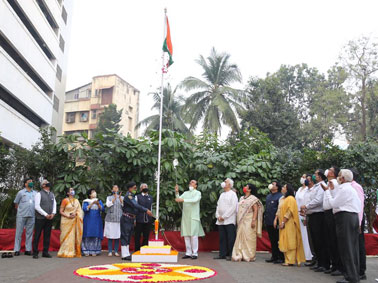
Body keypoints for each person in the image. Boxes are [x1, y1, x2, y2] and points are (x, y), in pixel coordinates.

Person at [323, 169, 361, 283]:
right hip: (351, 217)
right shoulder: (350, 188)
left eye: (339, 176)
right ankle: (353, 275)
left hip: (345, 218)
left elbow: (333, 203)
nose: (337, 178)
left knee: (346, 248)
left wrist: (328, 191)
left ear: (343, 178)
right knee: (352, 248)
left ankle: (351, 276)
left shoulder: (345, 189)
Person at [301, 170, 329, 273]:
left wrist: (306, 207)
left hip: (318, 215)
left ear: (321, 176)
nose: (314, 176)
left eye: (316, 174)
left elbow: (318, 200)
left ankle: (324, 263)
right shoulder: (317, 186)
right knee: (314, 240)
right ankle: (318, 261)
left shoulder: (322, 186)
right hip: (311, 214)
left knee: (319, 240)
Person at [120, 181, 153, 260]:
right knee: (125, 235)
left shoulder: (132, 195)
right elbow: (135, 205)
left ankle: (126, 253)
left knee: (128, 236)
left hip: (130, 218)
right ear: (130, 188)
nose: (136, 189)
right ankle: (124, 254)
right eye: (134, 188)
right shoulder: (129, 196)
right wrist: (146, 210)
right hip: (126, 218)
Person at [231, 183, 263, 262]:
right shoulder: (242, 198)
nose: (244, 188)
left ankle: (249, 255)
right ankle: (240, 253)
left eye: (246, 187)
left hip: (249, 219)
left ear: (250, 189)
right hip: (242, 221)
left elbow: (255, 210)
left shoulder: (253, 199)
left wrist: (253, 220)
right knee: (240, 236)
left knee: (248, 237)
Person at [175, 180, 205, 259]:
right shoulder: (185, 193)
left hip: (194, 217)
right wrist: (177, 192)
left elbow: (194, 200)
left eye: (192, 182)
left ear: (196, 185)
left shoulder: (198, 193)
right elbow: (178, 199)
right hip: (186, 217)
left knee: (193, 235)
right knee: (186, 235)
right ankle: (188, 252)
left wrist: (184, 200)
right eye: (190, 182)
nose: (190, 183)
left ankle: (195, 253)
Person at [323, 166, 343, 276]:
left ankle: (338, 266)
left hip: (332, 212)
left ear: (334, 173)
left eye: (330, 170)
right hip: (327, 212)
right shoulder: (328, 182)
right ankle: (334, 264)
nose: (328, 171)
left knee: (334, 240)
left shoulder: (334, 183)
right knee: (329, 240)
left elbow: (334, 199)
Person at [278, 184, 305, 266]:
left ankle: (291, 260)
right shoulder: (284, 199)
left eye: (283, 187)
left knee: (290, 241)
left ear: (287, 189)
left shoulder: (291, 199)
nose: (282, 188)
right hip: (283, 222)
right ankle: (287, 259)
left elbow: (289, 212)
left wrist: (283, 222)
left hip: (289, 223)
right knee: (284, 240)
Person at [214, 178, 238, 261]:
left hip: (229, 220)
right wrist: (218, 215)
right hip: (220, 220)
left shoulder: (233, 194)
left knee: (231, 238)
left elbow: (233, 207)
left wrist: (224, 216)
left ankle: (231, 254)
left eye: (225, 182)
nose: (223, 183)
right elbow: (218, 206)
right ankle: (222, 254)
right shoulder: (222, 194)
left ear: (229, 185)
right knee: (222, 238)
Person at [33, 180, 56, 259]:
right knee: (37, 235)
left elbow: (54, 205)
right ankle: (35, 252)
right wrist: (45, 214)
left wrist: (53, 213)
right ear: (43, 185)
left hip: (49, 218)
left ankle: (45, 252)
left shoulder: (52, 194)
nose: (48, 183)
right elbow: (37, 206)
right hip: (40, 218)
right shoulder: (39, 194)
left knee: (47, 235)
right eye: (46, 182)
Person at [350, 169, 367, 281]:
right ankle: (354, 269)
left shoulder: (356, 187)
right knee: (352, 245)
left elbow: (360, 205)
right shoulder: (347, 187)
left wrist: (360, 222)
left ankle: (361, 271)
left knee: (359, 245)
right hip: (351, 217)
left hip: (357, 217)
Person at [13, 178, 37, 256]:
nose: (31, 183)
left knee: (29, 233)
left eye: (32, 181)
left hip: (32, 215)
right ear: (25, 184)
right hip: (21, 215)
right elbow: (16, 203)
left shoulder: (35, 193)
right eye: (29, 182)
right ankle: (17, 250)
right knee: (19, 233)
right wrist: (20, 210)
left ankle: (28, 250)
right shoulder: (20, 192)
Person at [57, 187, 83, 258]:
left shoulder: (76, 201)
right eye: (71, 190)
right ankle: (64, 251)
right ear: (68, 193)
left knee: (72, 236)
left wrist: (76, 214)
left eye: (73, 190)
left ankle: (72, 252)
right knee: (65, 236)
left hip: (74, 220)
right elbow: (61, 211)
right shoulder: (65, 200)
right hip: (66, 220)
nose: (73, 191)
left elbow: (79, 211)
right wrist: (68, 216)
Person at [265, 181, 284, 264]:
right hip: (268, 220)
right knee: (272, 239)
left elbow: (279, 209)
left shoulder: (280, 196)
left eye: (274, 184)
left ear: (277, 187)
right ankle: (274, 256)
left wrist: (276, 219)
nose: (272, 185)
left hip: (276, 220)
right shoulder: (268, 196)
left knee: (278, 239)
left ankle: (281, 257)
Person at [82, 189, 104, 256]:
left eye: (95, 192)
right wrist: (91, 204)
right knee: (87, 233)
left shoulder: (99, 201)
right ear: (90, 195)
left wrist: (98, 204)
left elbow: (103, 209)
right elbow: (85, 209)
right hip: (88, 220)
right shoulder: (86, 201)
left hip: (97, 221)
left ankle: (95, 250)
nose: (94, 193)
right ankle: (86, 250)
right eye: (93, 192)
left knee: (96, 234)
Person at [296, 174, 312, 262]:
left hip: (304, 214)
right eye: (302, 176)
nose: (302, 178)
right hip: (298, 214)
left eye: (304, 177)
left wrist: (305, 213)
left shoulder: (308, 189)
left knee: (306, 234)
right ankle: (301, 254)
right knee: (300, 234)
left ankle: (308, 255)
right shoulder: (299, 189)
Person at [104, 185, 123, 256]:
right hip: (110, 219)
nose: (115, 189)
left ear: (118, 189)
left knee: (117, 235)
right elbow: (108, 205)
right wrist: (114, 199)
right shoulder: (109, 197)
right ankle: (109, 251)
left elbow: (124, 205)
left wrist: (120, 199)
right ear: (112, 189)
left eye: (116, 188)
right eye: (114, 188)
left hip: (118, 219)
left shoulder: (122, 197)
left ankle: (116, 251)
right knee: (110, 235)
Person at [135, 183, 153, 252]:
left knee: (146, 235)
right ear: (141, 189)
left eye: (146, 186)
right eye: (143, 187)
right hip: (139, 218)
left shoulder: (150, 197)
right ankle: (137, 250)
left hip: (148, 219)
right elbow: (136, 207)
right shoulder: (137, 197)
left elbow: (150, 207)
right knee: (138, 235)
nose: (145, 187)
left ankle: (144, 249)